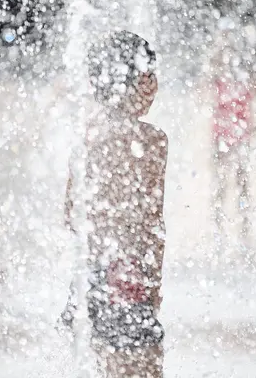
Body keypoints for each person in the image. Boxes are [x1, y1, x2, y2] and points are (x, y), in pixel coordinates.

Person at [61, 31, 167, 377]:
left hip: (87, 277)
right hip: (128, 277)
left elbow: (71, 213)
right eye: (150, 75)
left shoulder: (85, 134)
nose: (156, 85)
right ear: (136, 82)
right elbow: (152, 223)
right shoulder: (151, 141)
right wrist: (152, 289)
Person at [204, 27, 256, 257]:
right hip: (221, 137)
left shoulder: (248, 79)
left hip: (239, 137)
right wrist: (219, 46)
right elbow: (203, 83)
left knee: (241, 184)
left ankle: (243, 229)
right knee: (221, 185)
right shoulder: (218, 78)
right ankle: (218, 230)